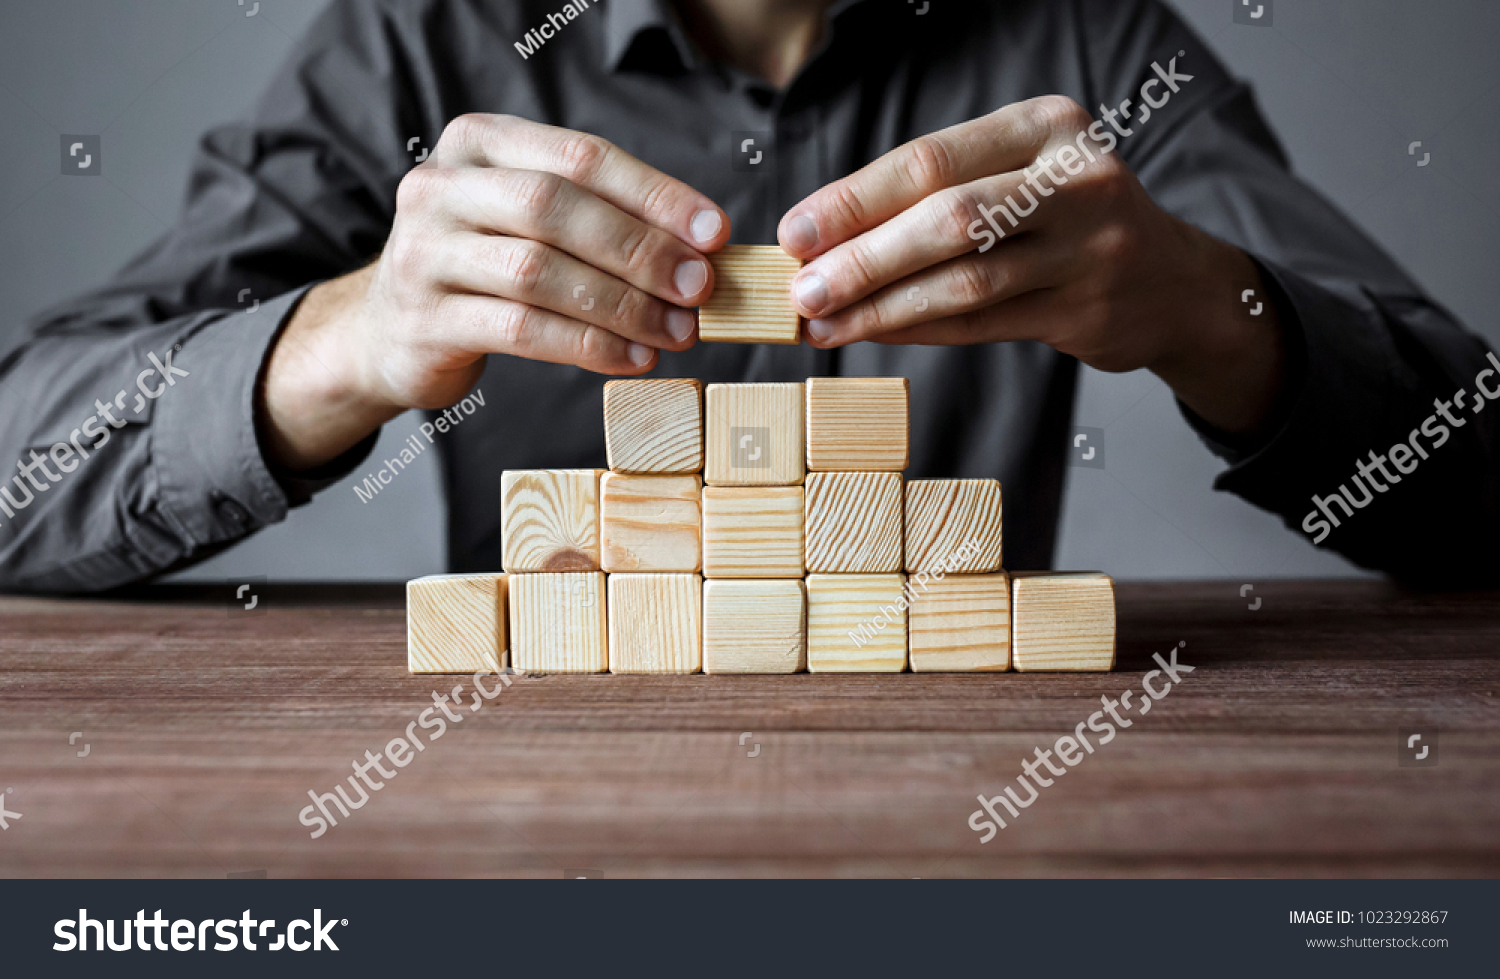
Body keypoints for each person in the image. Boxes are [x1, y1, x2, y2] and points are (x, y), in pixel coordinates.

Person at [1, 0, 1495, 593]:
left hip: (982, 811)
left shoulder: (1090, 41)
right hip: (516, 812)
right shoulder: (426, 36)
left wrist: (1203, 306)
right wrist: (350, 338)